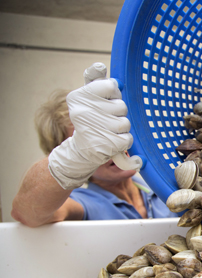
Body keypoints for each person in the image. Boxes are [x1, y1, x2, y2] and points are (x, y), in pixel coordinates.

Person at [11, 63, 178, 227]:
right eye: (97, 142)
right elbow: (28, 213)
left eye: (112, 132)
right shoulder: (83, 202)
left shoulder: (158, 186)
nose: (113, 148)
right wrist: (74, 156)